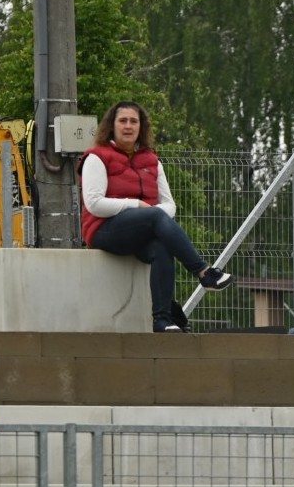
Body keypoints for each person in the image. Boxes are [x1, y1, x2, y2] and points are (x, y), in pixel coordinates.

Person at [79, 100, 234, 333]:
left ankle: (162, 320)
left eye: (134, 121)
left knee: (162, 245)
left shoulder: (152, 159)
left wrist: (151, 214)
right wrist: (138, 206)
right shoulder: (96, 157)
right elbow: (94, 204)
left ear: (141, 127)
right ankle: (203, 272)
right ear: (112, 126)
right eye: (123, 121)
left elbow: (169, 204)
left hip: (143, 229)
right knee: (154, 216)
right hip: (104, 230)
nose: (128, 126)